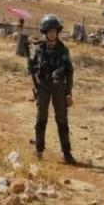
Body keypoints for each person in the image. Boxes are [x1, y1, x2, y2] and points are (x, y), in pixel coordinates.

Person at [28, 14, 76, 164]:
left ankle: (67, 153)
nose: (52, 34)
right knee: (41, 119)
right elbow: (34, 67)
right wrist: (31, 67)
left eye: (54, 31)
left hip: (59, 88)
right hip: (43, 87)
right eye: (49, 31)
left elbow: (69, 72)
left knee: (62, 120)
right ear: (45, 32)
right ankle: (39, 150)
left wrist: (68, 93)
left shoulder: (63, 50)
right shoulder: (39, 49)